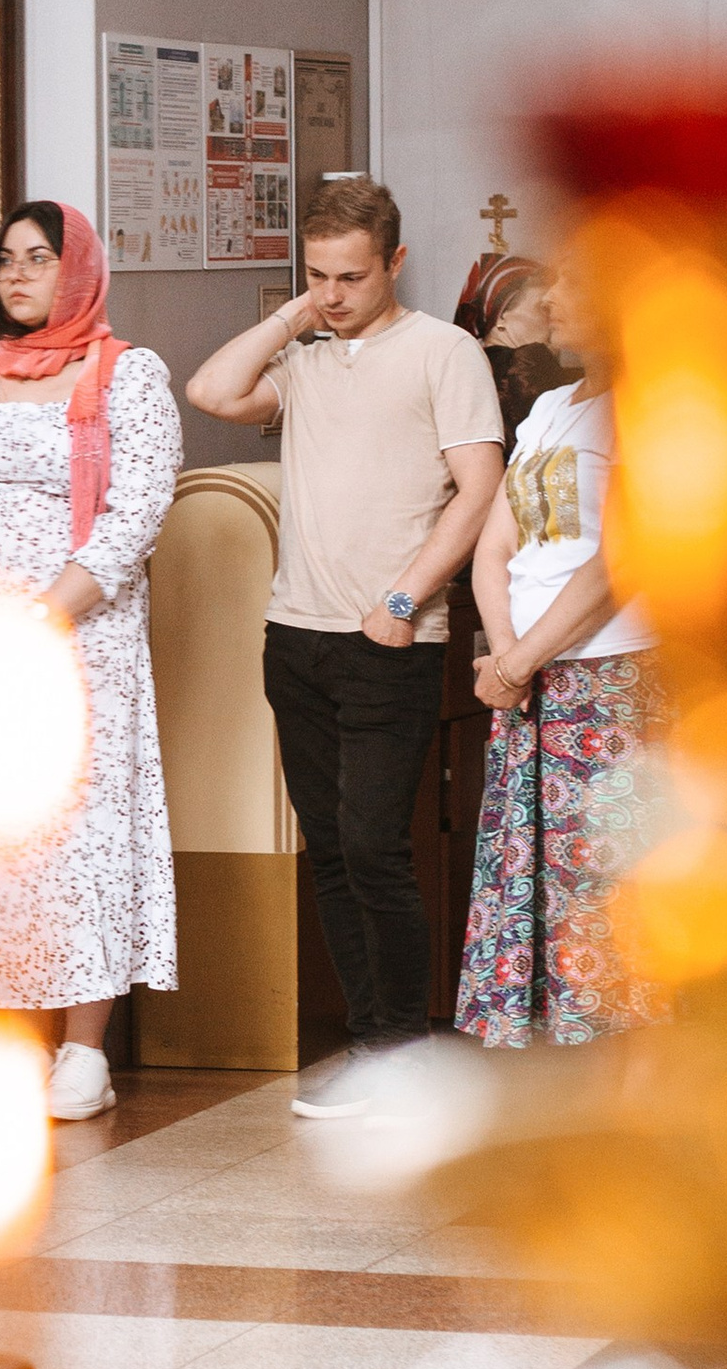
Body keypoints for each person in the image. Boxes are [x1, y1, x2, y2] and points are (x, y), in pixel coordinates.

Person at [186, 177, 504, 1116]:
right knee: (329, 849)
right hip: (298, 637)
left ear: (394, 264)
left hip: (392, 636)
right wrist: (293, 318)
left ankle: (402, 1052)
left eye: (351, 277)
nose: (334, 294)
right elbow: (211, 389)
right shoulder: (309, 361)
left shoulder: (443, 353)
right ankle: (373, 1045)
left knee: (375, 849)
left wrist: (407, 596)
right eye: (318, 276)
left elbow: (479, 489)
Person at [0, 201, 180, 1120]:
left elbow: (131, 518)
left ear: (81, 271)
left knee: (75, 832)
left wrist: (40, 621)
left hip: (79, 640)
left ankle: (82, 1050)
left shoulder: (130, 375)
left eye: (39, 259)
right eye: (6, 261)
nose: (18, 275)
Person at [456, 242, 669, 1046]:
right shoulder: (551, 408)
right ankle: (578, 1061)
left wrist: (517, 658)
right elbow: (493, 544)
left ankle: (638, 1076)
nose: (553, 300)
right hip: (530, 675)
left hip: (607, 674)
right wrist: (507, 655)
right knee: (537, 871)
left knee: (608, 875)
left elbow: (622, 560)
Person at [453, 246, 570, 449]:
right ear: (501, 317)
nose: (552, 318)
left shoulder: (465, 367)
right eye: (542, 309)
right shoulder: (529, 362)